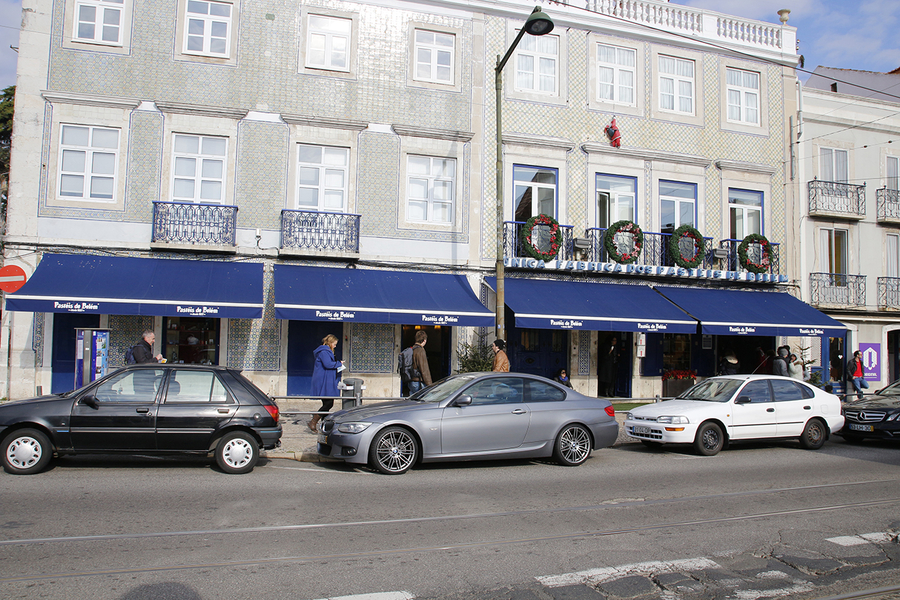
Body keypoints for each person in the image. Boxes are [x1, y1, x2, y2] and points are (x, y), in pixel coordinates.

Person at [307, 334, 344, 432]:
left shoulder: (327, 351)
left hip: (327, 379)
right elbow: (328, 364)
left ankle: (324, 425)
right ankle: (313, 421)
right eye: (334, 344)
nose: (335, 346)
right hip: (324, 380)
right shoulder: (324, 352)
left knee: (327, 403)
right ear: (330, 343)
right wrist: (339, 363)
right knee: (328, 403)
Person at [408, 330, 432, 395]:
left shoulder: (412, 349)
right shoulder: (420, 351)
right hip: (418, 382)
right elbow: (424, 369)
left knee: (412, 399)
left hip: (411, 381)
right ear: (424, 340)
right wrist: (429, 384)